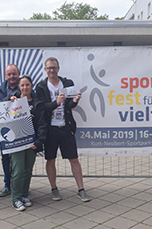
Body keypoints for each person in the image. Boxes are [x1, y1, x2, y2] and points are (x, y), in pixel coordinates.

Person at [36, 57, 92, 202]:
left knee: (74, 159)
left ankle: (81, 189)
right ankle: (54, 189)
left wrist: (74, 102)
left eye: (54, 67)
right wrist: (56, 103)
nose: (52, 70)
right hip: (50, 129)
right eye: (49, 68)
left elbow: (69, 107)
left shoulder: (67, 83)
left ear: (58, 68)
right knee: (50, 159)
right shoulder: (41, 86)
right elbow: (42, 107)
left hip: (66, 128)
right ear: (45, 70)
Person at [4, 75, 47, 211]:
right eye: (22, 85)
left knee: (27, 170)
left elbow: (42, 124)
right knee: (18, 170)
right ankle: (15, 198)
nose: (25, 87)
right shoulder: (13, 101)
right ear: (19, 87)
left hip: (31, 143)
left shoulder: (37, 104)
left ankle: (23, 195)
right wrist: (8, 100)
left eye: (27, 85)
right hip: (16, 143)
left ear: (32, 85)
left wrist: (39, 141)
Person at [0, 64, 21, 197]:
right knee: (6, 159)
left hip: (21, 129)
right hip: (4, 130)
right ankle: (7, 185)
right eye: (9, 74)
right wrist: (8, 100)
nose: (12, 77)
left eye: (14, 74)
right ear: (5, 76)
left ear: (19, 74)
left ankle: (20, 185)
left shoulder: (24, 87)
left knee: (20, 160)